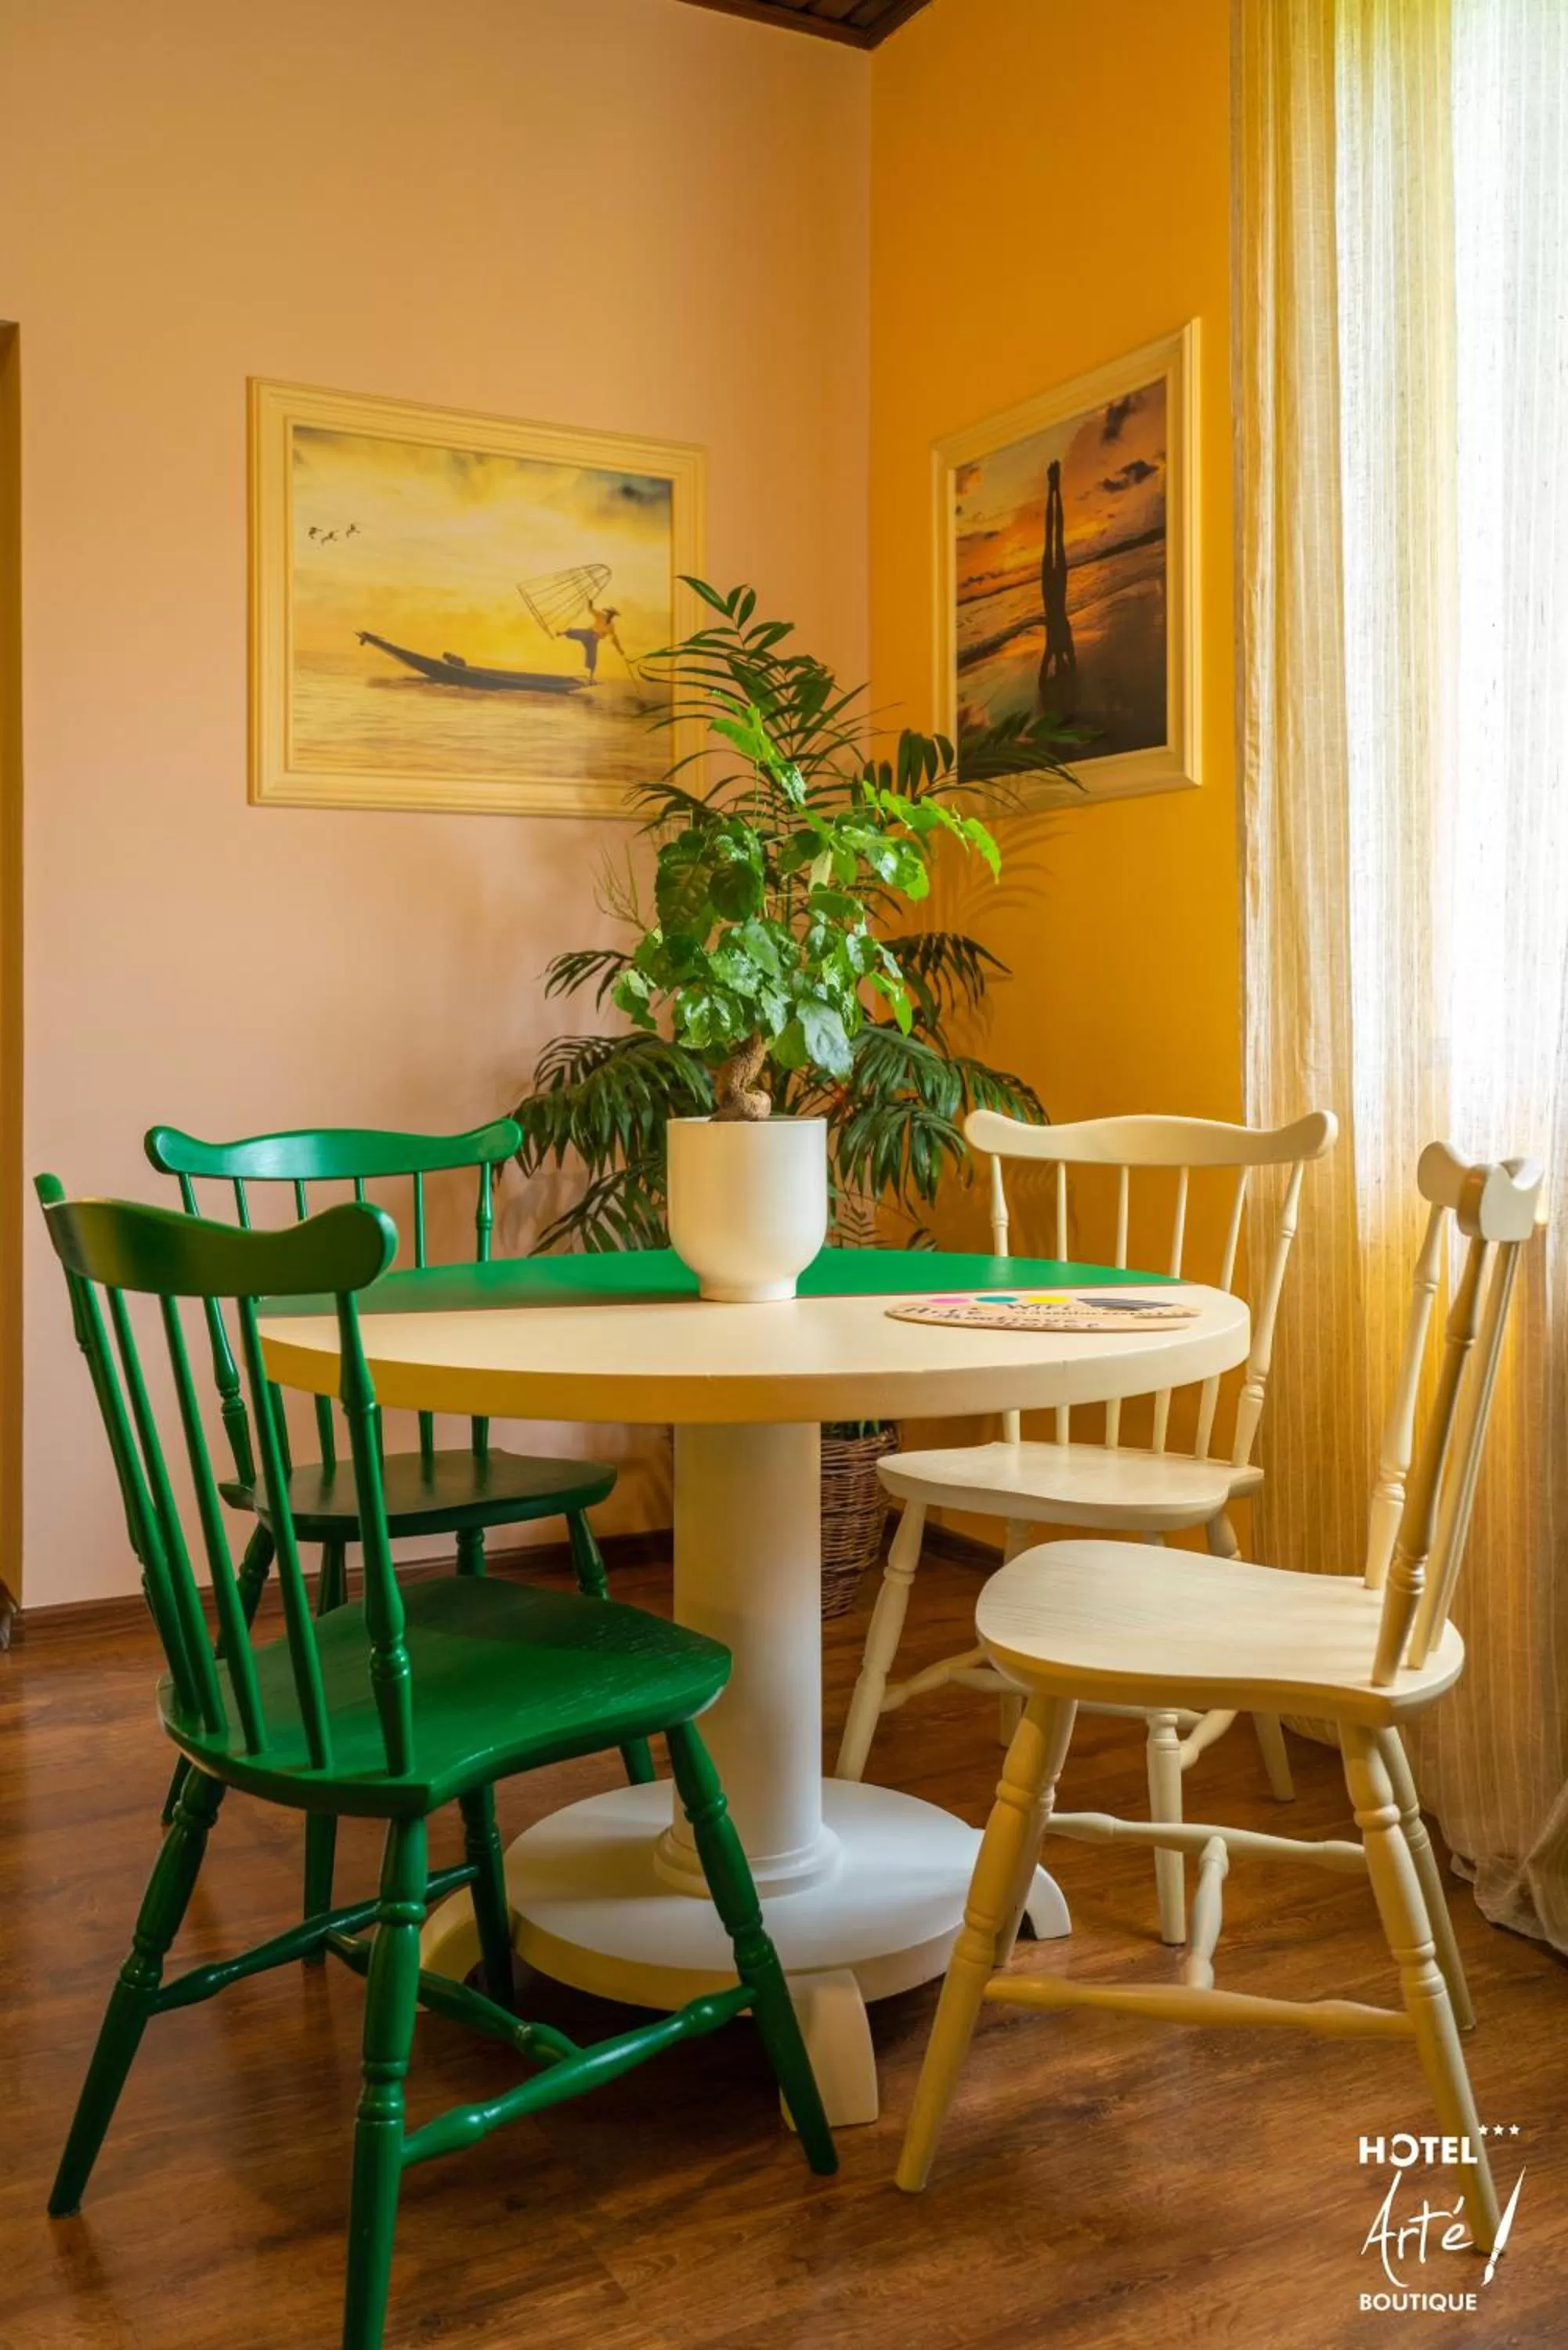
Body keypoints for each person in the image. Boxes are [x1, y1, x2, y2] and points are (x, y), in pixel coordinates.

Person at [561, 602, 626, 683]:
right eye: (610, 613)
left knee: (593, 659)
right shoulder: (601, 615)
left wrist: (619, 649)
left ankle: (591, 678)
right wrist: (590, 605)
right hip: (589, 633)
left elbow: (614, 638)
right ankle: (561, 633)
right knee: (577, 632)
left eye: (612, 615)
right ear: (608, 613)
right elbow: (591, 610)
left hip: (594, 641)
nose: (610, 616)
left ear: (613, 616)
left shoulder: (611, 626)